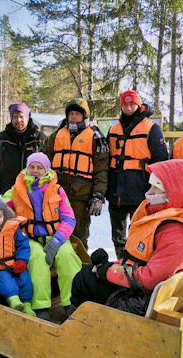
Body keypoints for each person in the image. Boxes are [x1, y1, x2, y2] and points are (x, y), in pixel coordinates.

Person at [70, 159, 183, 316]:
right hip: (148, 290)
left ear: (173, 191)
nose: (150, 192)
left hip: (142, 299)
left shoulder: (175, 231)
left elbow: (150, 278)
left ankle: (80, 326)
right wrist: (108, 265)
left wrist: (106, 271)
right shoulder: (171, 215)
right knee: (88, 271)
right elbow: (141, 259)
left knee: (84, 279)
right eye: (151, 185)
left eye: (157, 188)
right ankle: (84, 321)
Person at [3, 153, 82, 320]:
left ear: (46, 169)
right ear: (26, 168)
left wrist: (57, 241)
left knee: (67, 256)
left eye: (39, 167)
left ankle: (72, 303)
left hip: (56, 237)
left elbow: (69, 218)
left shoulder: (57, 189)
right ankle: (41, 306)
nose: (35, 171)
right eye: (32, 167)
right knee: (37, 259)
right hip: (29, 239)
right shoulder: (16, 189)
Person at [106, 90, 169, 258]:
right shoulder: (114, 128)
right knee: (118, 234)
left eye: (131, 104)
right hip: (116, 191)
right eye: (125, 105)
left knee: (138, 231)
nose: (128, 108)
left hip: (140, 189)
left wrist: (156, 188)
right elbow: (106, 158)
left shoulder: (151, 128)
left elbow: (161, 159)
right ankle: (120, 259)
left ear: (138, 105)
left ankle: (135, 261)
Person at [43, 98, 109, 250]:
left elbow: (102, 170)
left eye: (77, 114)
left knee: (79, 235)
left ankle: (80, 267)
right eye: (71, 113)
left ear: (84, 115)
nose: (73, 117)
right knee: (54, 231)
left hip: (81, 196)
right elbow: (43, 162)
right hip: (56, 194)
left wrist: (98, 195)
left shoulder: (96, 137)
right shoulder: (56, 135)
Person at [0, 103, 47, 198]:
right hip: (9, 189)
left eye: (21, 116)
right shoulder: (1, 139)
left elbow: (48, 167)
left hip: (33, 191)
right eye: (15, 117)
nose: (18, 120)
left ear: (27, 117)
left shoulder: (40, 139)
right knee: (10, 213)